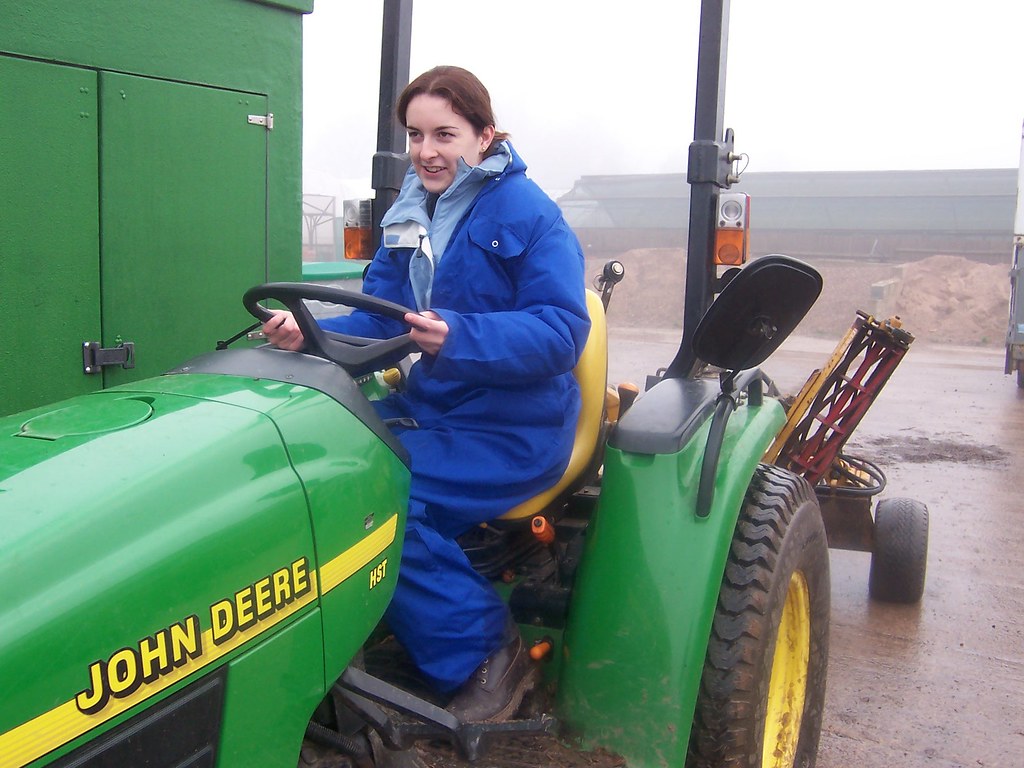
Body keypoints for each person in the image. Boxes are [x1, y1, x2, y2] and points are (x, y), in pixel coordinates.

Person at [263, 65, 590, 722]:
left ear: (484, 135)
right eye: (415, 135)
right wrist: (309, 332)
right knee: (305, 469)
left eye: (445, 133)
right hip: (432, 412)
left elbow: (562, 331)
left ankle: (486, 658)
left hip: (512, 429)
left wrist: (459, 336)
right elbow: (380, 317)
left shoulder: (529, 214)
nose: (427, 151)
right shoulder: (408, 213)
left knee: (378, 498)